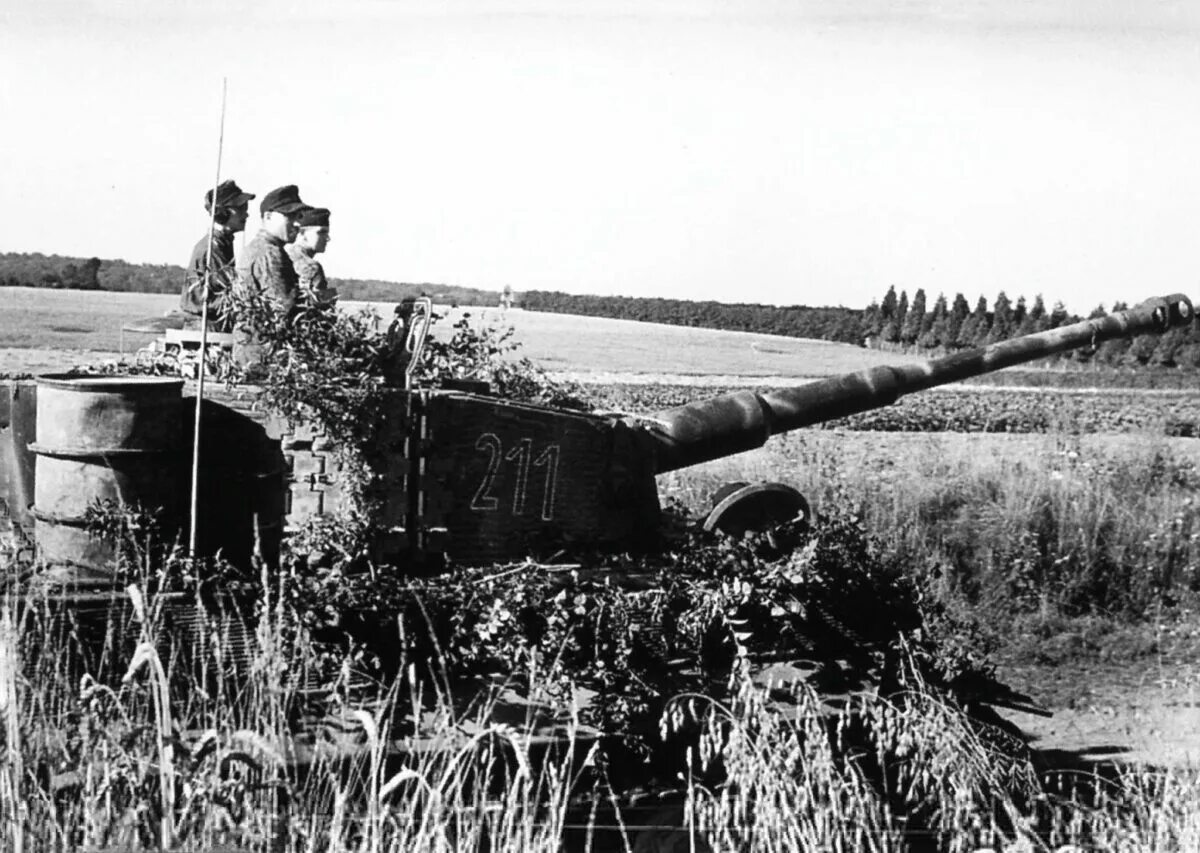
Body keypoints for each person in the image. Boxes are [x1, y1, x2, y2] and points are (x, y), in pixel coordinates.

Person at [232, 184, 309, 366]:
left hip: (251, 351)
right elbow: (283, 311)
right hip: (265, 356)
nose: (297, 223)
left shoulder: (258, 248)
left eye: (298, 216)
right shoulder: (270, 254)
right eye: (289, 216)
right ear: (268, 217)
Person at [181, 179, 255, 331]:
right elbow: (228, 295)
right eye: (241, 209)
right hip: (206, 329)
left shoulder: (221, 243)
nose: (246, 215)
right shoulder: (212, 249)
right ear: (223, 212)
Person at [286, 207, 338, 307]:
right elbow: (320, 312)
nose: (327, 238)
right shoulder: (311, 267)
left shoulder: (285, 255)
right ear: (302, 233)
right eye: (321, 232)